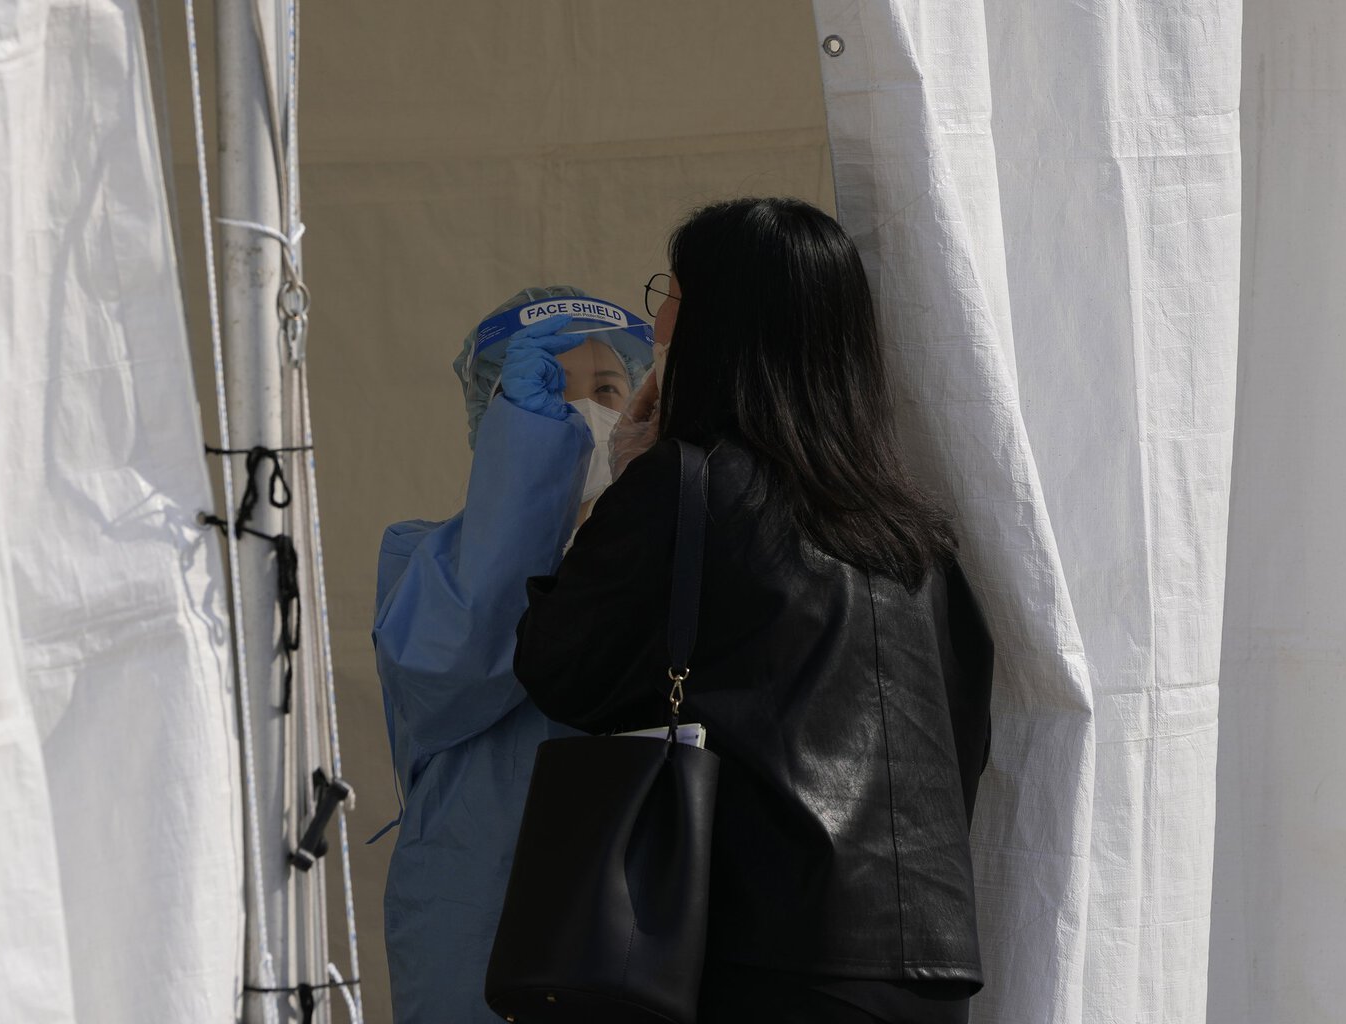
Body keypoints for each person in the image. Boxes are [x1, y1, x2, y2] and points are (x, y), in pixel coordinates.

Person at [513, 198, 994, 1024]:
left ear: (718, 325)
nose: (659, 323)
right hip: (928, 962)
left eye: (672, 297)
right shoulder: (921, 539)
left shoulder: (687, 486)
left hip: (759, 950)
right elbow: (963, 739)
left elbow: (558, 666)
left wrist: (625, 489)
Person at [372, 286, 653, 1024]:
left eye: (608, 389)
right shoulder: (421, 558)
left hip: (625, 932)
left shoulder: (665, 563)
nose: (580, 411)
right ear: (495, 415)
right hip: (474, 928)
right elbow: (454, 671)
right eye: (547, 389)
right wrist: (531, 464)